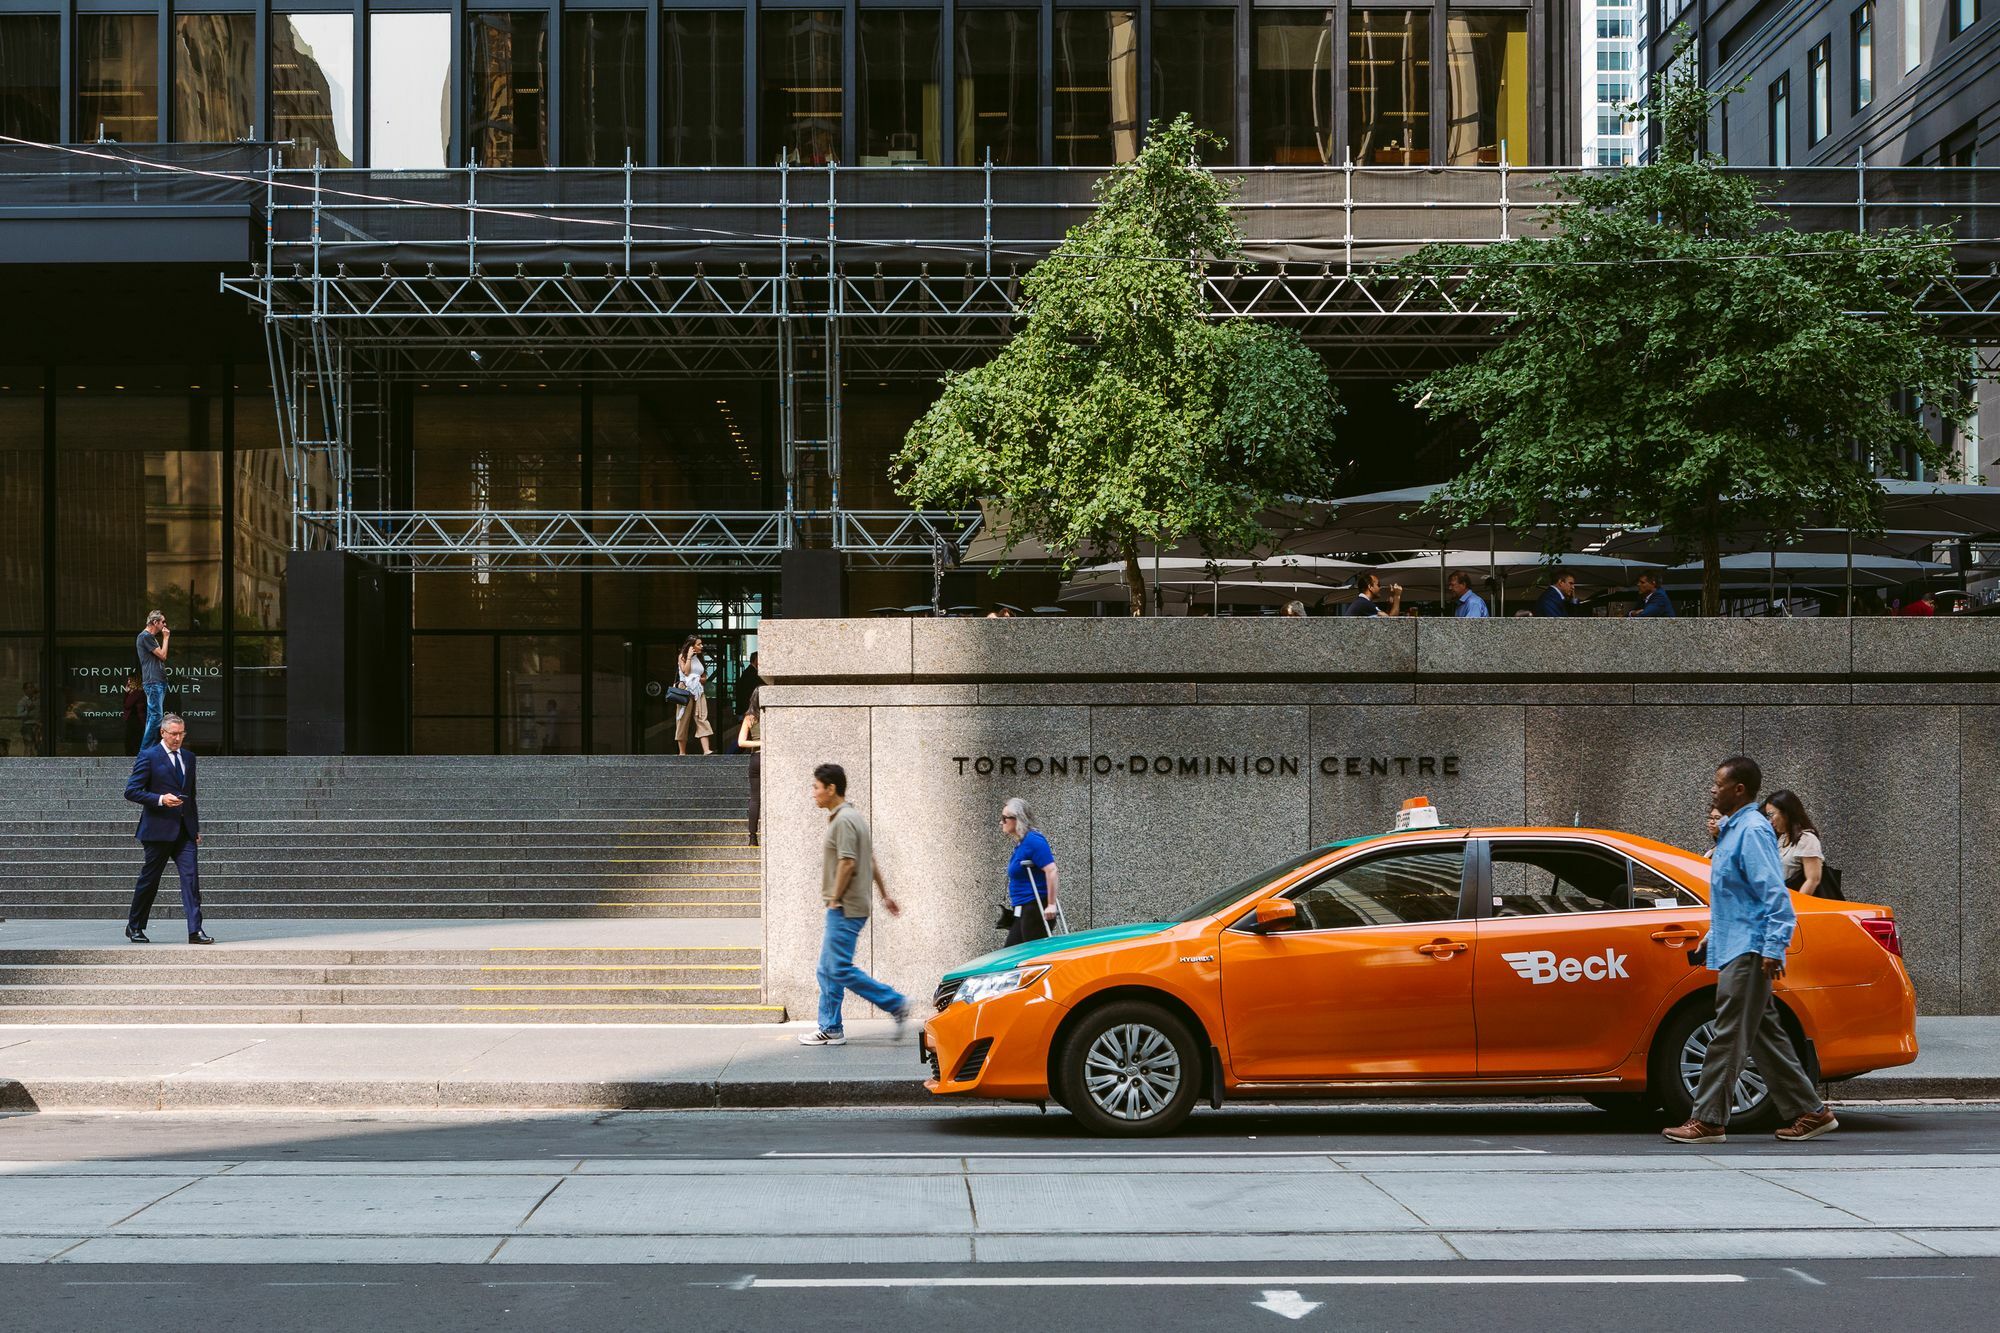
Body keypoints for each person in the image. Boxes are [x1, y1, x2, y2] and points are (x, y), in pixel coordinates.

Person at [1663, 756, 1833, 1145]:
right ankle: (1811, 1112)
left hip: (1752, 950)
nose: (1712, 789)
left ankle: (1707, 1120)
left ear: (1738, 789)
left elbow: (1774, 895)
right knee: (1762, 1035)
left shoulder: (1753, 830)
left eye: (1717, 783)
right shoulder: (1734, 831)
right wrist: (1714, 935)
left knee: (1727, 1033)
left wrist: (1774, 946)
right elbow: (1735, 896)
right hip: (1737, 945)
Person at [800, 763, 910, 1047]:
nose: (813, 793)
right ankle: (831, 1027)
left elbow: (848, 862)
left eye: (816, 787)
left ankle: (895, 1003)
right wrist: (885, 895)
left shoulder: (844, 820)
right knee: (826, 969)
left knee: (838, 969)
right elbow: (870, 860)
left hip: (845, 906)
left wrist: (835, 897)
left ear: (831, 788)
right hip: (852, 904)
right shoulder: (852, 817)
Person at [123, 713, 213, 945]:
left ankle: (195, 931)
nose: (177, 738)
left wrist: (195, 828)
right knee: (150, 880)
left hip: (184, 832)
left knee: (191, 880)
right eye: (173, 734)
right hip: (158, 830)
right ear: (163, 733)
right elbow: (132, 791)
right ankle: (135, 926)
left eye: (181, 734)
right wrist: (161, 799)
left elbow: (191, 797)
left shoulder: (189, 758)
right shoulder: (149, 756)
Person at [999, 796, 1060, 945]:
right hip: (1023, 910)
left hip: (1035, 910)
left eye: (1004, 818)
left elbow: (1051, 871)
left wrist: (1051, 905)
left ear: (1017, 819)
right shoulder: (1022, 843)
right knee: (1010, 953)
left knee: (1030, 958)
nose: (1001, 822)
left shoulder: (1034, 840)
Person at [1762, 788, 1826, 896]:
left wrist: (1796, 908)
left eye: (1771, 814)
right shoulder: (1782, 838)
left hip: (1796, 907)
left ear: (1786, 812)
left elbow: (1813, 880)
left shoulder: (1807, 839)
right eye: (1768, 816)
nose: (1770, 821)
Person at [135, 610, 170, 751]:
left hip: (157, 681)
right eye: (163, 622)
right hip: (153, 682)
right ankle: (145, 752)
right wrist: (166, 638)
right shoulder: (145, 637)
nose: (165, 625)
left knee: (153, 718)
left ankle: (151, 751)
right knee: (156, 717)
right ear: (155, 622)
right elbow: (162, 655)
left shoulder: (149, 637)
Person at [675, 634, 713, 756]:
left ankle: (706, 750)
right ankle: (682, 752)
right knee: (683, 719)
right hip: (685, 689)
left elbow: (703, 675)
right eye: (699, 644)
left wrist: (703, 679)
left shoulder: (700, 658)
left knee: (702, 716)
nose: (701, 646)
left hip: (699, 690)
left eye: (701, 644)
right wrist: (689, 657)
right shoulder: (682, 657)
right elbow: (686, 672)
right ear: (691, 646)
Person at [739, 686, 763, 846]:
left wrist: (758, 743)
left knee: (755, 798)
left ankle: (752, 837)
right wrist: (765, 742)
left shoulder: (749, 718)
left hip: (755, 757)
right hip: (770, 757)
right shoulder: (771, 715)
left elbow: (741, 742)